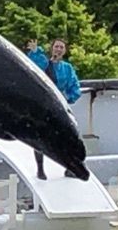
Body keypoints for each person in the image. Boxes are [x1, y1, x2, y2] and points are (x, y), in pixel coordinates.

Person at [26, 38, 82, 179]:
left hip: (59, 106)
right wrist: (35, 51)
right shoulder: (44, 63)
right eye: (56, 46)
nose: (58, 49)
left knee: (68, 136)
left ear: (65, 51)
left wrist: (67, 98)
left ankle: (69, 167)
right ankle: (40, 169)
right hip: (42, 104)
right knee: (40, 137)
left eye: (61, 47)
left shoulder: (67, 68)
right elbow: (32, 66)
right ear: (52, 48)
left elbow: (75, 88)